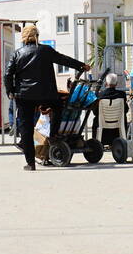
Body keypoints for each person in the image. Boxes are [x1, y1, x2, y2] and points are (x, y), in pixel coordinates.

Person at [5, 24, 88, 171]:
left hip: (24, 96)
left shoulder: (17, 54)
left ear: (24, 37)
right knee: (57, 106)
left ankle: (30, 164)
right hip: (46, 94)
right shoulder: (46, 50)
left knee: (26, 128)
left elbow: (8, 74)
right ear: (37, 36)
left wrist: (10, 91)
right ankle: (53, 135)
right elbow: (63, 60)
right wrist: (81, 66)